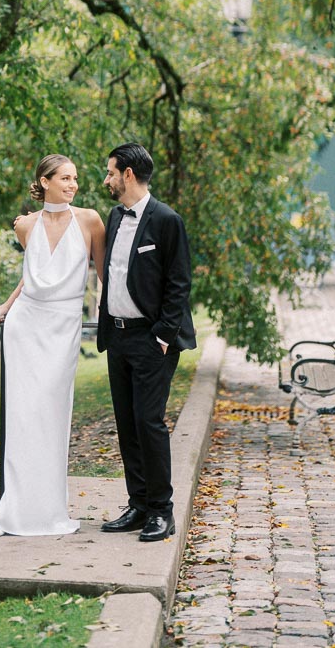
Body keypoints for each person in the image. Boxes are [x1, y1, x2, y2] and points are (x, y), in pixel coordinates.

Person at [0, 154, 106, 538]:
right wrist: (4, 307)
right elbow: (31, 277)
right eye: (65, 178)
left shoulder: (90, 220)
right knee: (20, 417)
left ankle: (49, 510)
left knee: (51, 416)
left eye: (75, 179)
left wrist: (115, 321)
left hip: (63, 326)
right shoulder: (25, 225)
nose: (73, 185)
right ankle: (10, 512)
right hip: (25, 327)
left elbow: (104, 276)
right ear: (45, 181)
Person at [97, 142, 195, 543]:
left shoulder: (166, 220)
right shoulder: (115, 216)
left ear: (129, 175)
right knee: (126, 423)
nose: (107, 179)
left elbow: (180, 283)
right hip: (117, 337)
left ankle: (161, 510)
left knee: (148, 422)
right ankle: (138, 505)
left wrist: (162, 337)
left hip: (152, 340)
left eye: (110, 173)